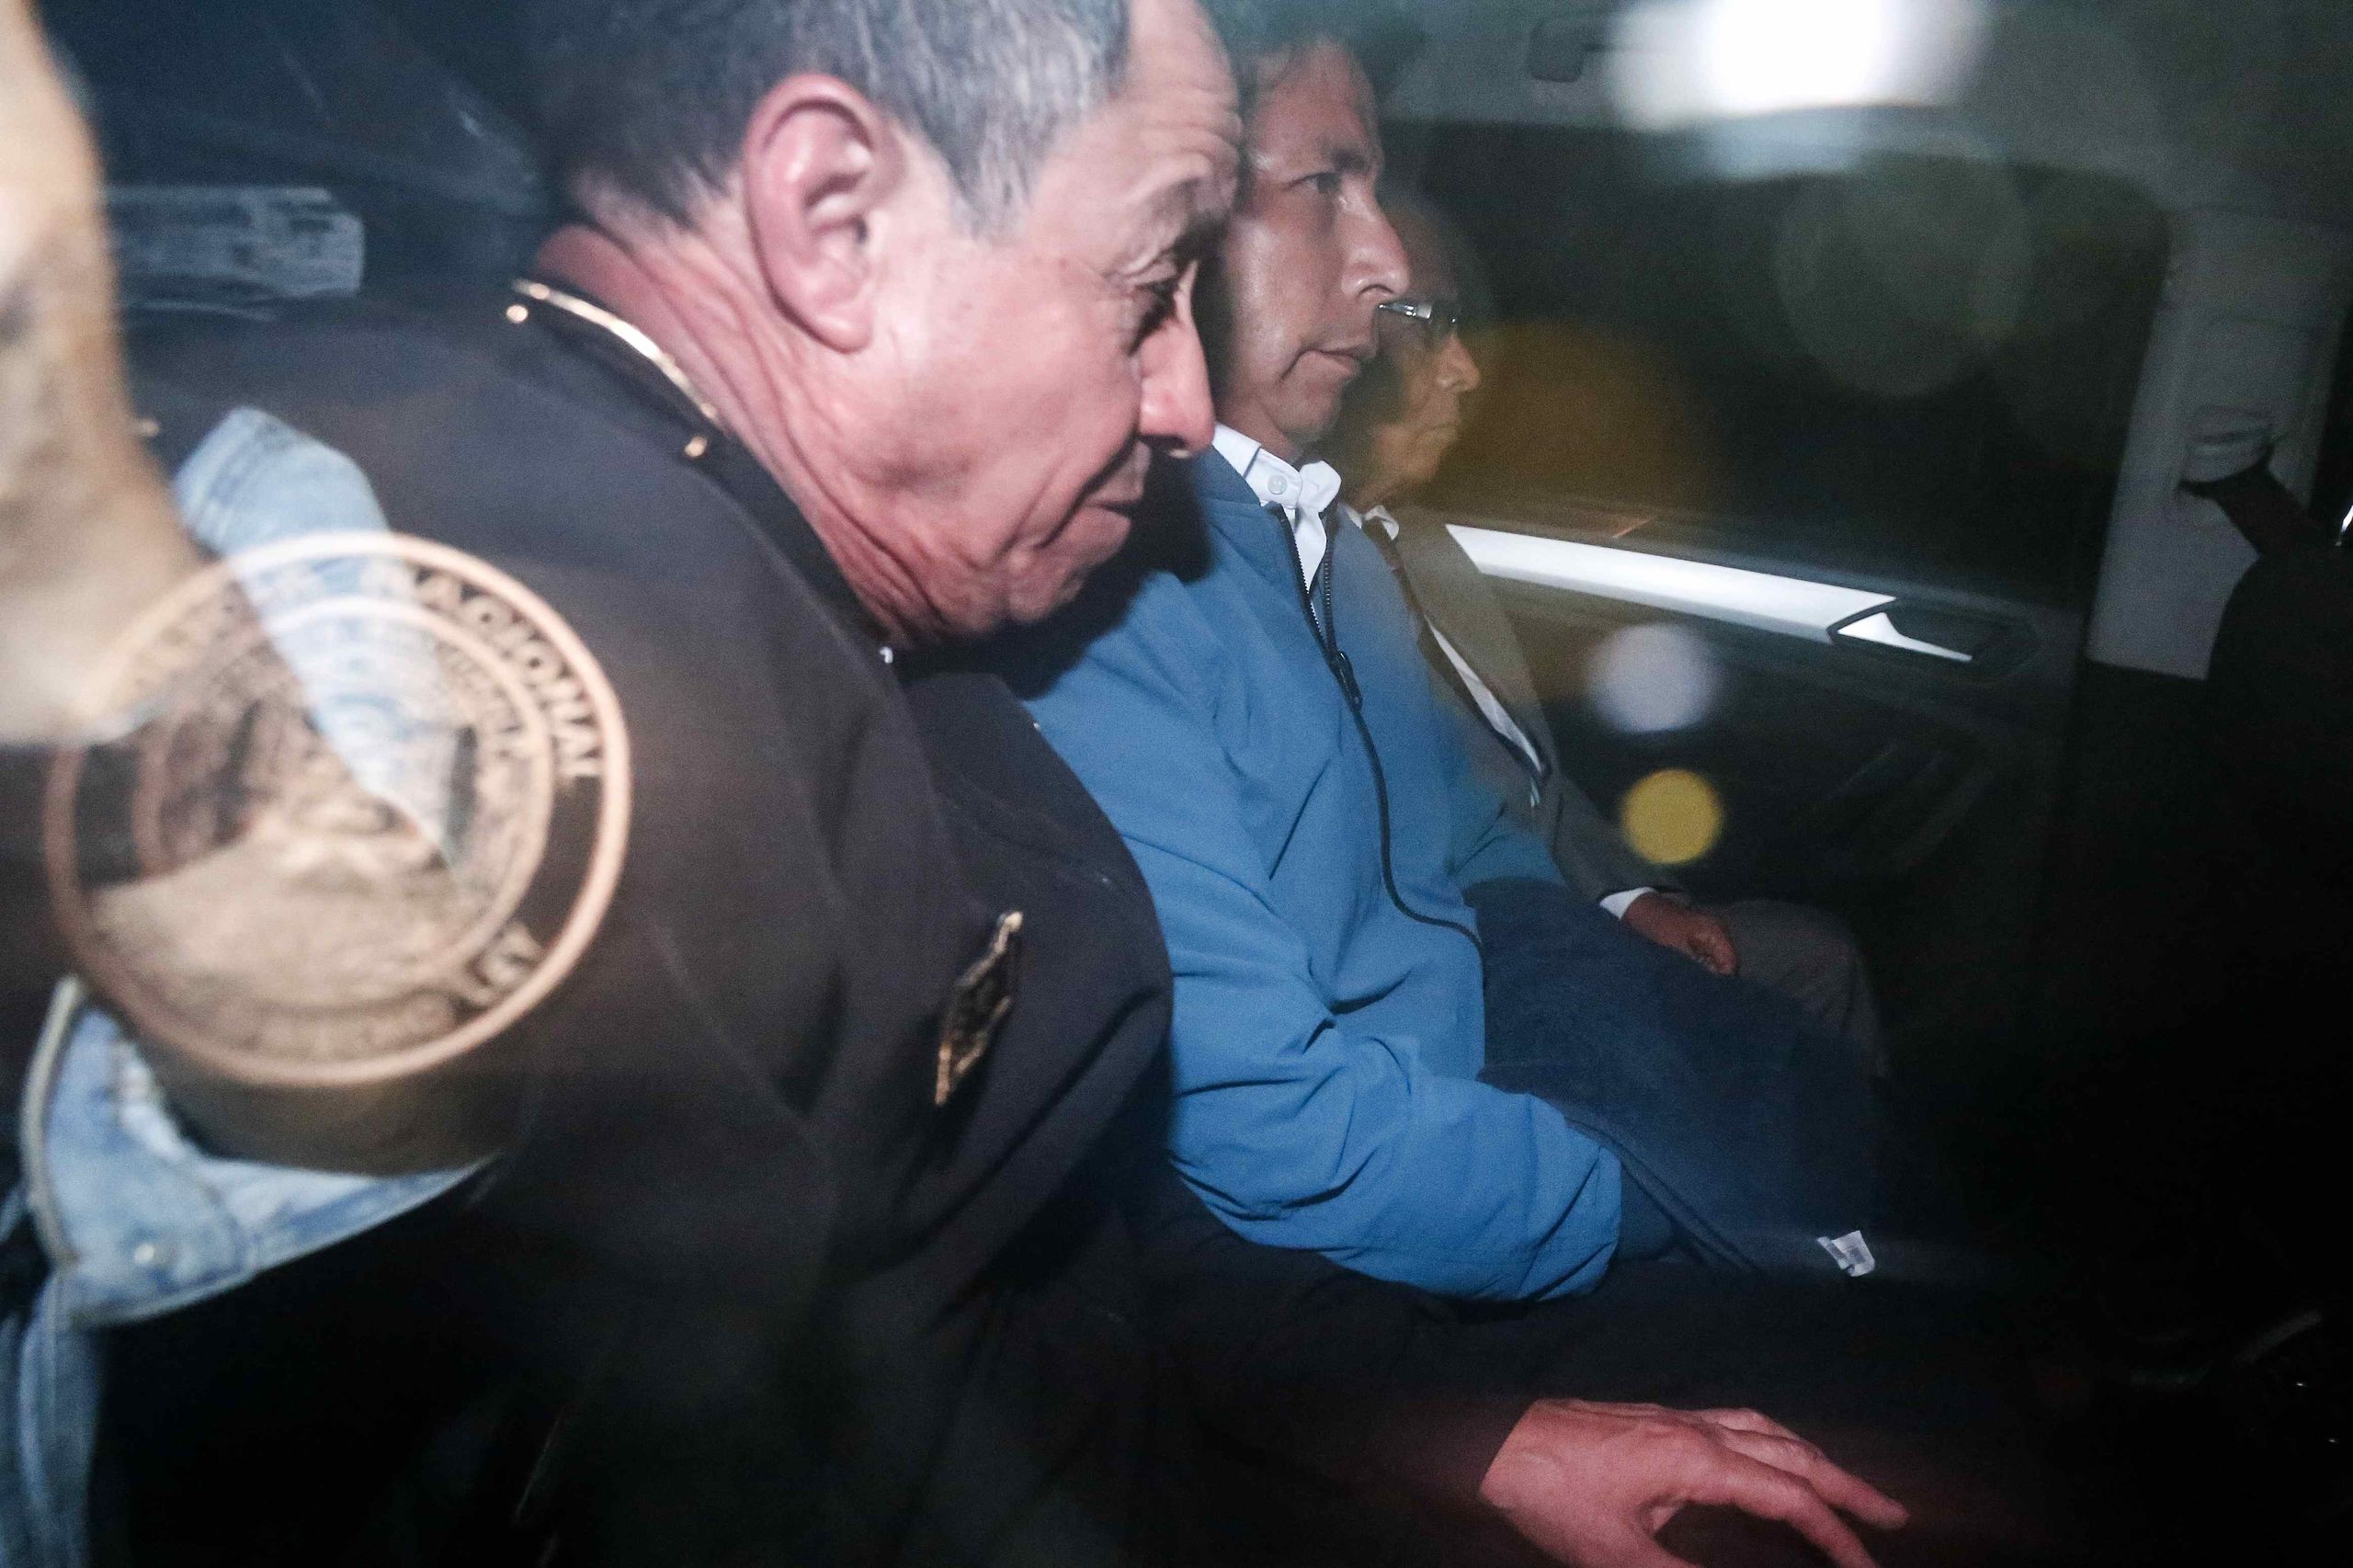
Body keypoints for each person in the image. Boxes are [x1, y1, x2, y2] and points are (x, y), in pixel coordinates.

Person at [1, 5, 1916, 1567]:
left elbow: (1024, 1260)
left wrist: (1436, 1432)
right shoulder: (452, 689)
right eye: (1147, 282)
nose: (1183, 400)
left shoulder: (825, 608)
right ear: (830, 218)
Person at [1006, 0, 1881, 1293]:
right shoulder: (1112, 595)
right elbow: (1281, 1129)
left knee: (1850, 1165)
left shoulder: (1344, 555)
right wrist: (1635, 1195)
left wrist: (1616, 939)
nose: (1381, 261)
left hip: (1491, 1067)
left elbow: (1467, 831)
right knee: (1859, 1332)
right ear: (1174, 224)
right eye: (1324, 185)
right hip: (1378, 1210)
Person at [1323, 192, 1885, 1065]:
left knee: (1819, 958)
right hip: (1483, 954)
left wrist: (1628, 900)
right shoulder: (1304, 582)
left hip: (1561, 907)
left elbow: (1536, 783)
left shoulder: (1424, 548)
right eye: (1429, 325)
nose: (1467, 371)